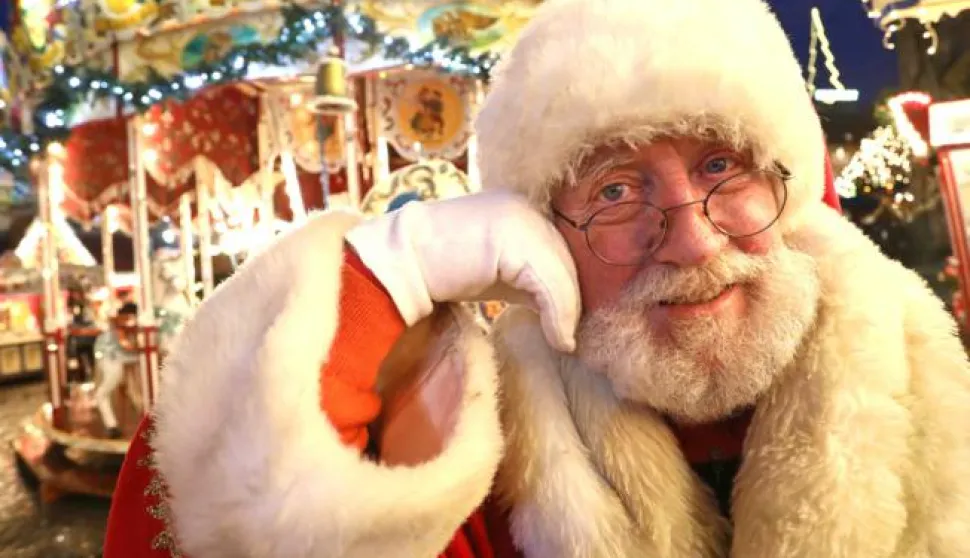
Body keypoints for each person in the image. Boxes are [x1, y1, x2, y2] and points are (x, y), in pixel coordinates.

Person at [104, 0, 970, 556]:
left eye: (721, 165)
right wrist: (386, 274)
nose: (694, 244)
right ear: (536, 232)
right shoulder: (473, 443)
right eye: (617, 189)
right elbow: (189, 526)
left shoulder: (932, 386)